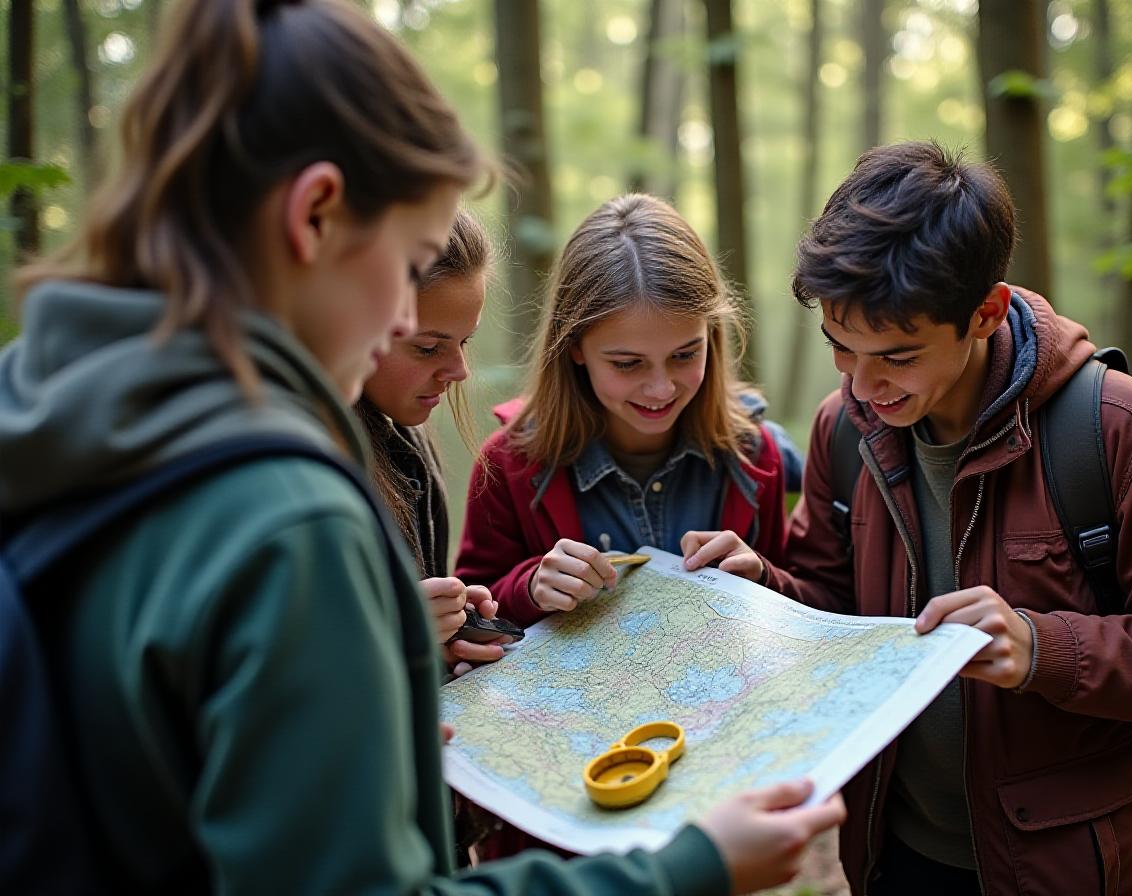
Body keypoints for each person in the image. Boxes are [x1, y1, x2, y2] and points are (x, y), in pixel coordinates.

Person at [0, 2, 843, 893]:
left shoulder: (52, 405)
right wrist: (687, 871)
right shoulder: (285, 519)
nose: (407, 320)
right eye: (408, 264)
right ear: (315, 214)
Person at [682, 141, 1132, 895]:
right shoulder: (844, 430)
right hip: (892, 851)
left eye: (895, 355)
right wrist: (760, 585)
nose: (861, 382)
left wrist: (1041, 647)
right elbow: (836, 616)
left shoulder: (1127, 431)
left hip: (1063, 867)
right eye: (839, 347)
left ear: (985, 312)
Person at [455, 193, 789, 630]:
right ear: (574, 347)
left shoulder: (753, 454)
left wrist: (761, 574)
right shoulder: (508, 464)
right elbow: (470, 614)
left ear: (712, 335)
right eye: (627, 364)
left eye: (685, 355)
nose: (661, 388)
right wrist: (531, 586)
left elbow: (803, 596)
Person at [356, 208, 506, 677]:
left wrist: (447, 630)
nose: (460, 370)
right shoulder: (291, 467)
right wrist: (393, 631)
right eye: (428, 348)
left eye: (464, 342)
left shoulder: (407, 437)